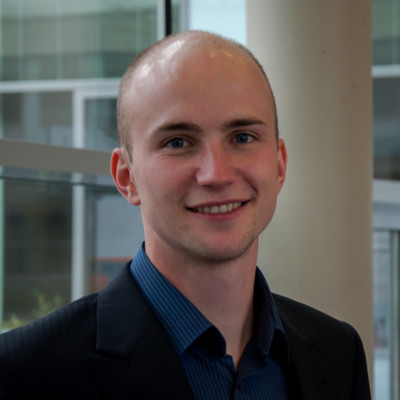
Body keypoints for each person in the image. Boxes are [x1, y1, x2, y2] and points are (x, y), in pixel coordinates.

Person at [0, 31, 371, 399]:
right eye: (178, 142)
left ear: (278, 165)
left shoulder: (339, 353)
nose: (217, 174)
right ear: (126, 177)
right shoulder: (25, 373)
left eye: (242, 137)